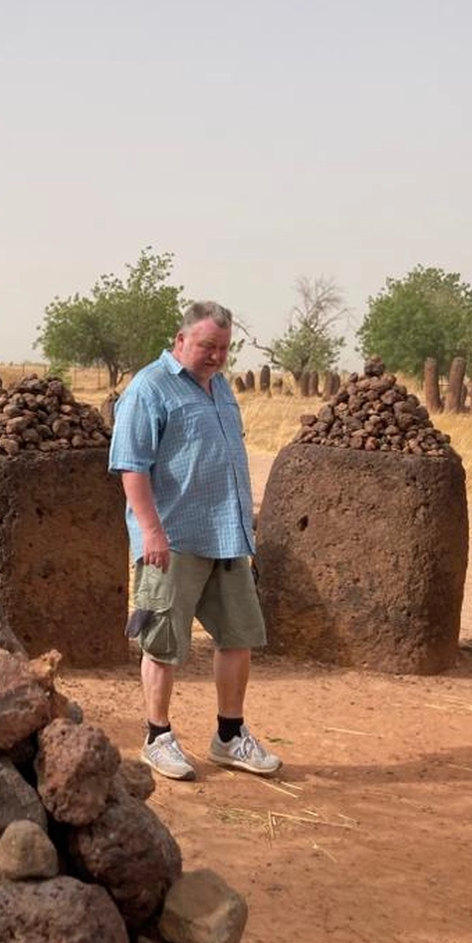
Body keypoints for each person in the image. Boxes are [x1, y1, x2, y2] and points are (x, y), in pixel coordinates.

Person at [108, 300, 282, 780]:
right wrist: (151, 531)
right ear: (180, 340)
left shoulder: (221, 388)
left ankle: (229, 736)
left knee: (238, 637)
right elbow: (131, 465)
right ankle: (157, 736)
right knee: (162, 643)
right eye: (207, 346)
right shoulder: (149, 388)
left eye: (224, 348)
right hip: (173, 539)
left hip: (227, 535)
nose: (216, 356)